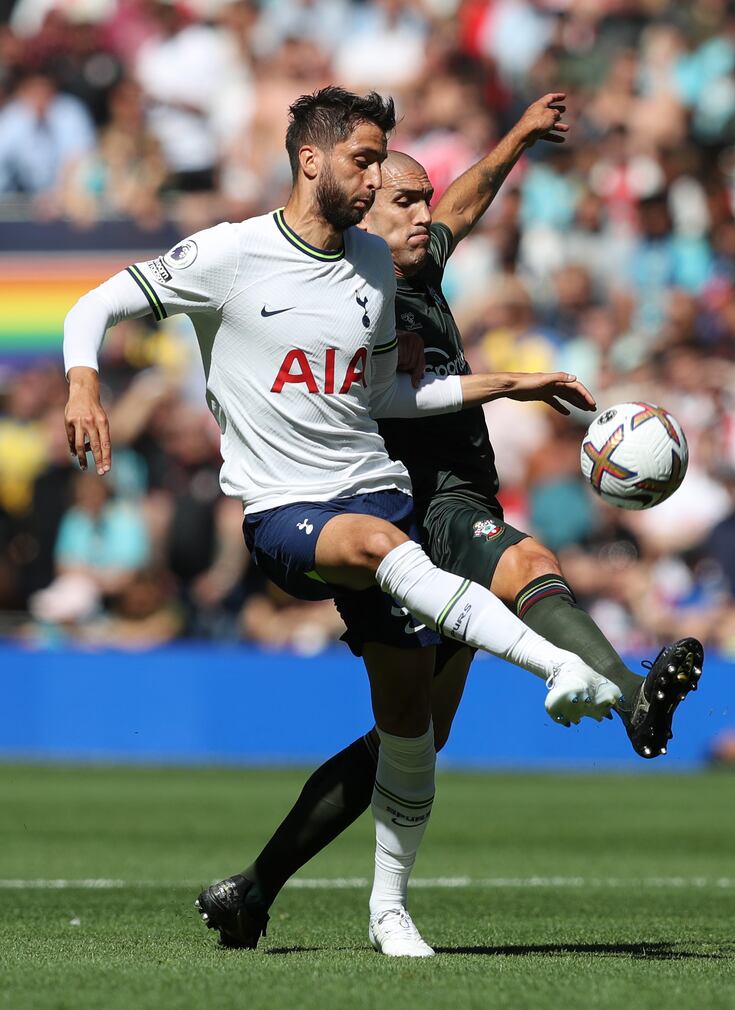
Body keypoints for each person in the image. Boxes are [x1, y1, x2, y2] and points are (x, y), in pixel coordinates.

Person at [63, 86, 622, 958]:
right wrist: (83, 379)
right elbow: (91, 305)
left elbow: (388, 396)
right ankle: (560, 666)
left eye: (379, 162)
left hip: (377, 492)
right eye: (364, 161)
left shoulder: (371, 266)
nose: (373, 178)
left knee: (412, 732)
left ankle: (386, 909)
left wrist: (509, 384)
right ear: (311, 160)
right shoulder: (231, 253)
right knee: (382, 547)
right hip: (288, 511)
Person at [194, 94, 704, 954]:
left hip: (455, 488)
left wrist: (513, 138)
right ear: (362, 203)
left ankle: (255, 889)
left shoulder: (417, 262)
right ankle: (627, 694)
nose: (428, 216)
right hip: (417, 500)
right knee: (525, 558)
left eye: (426, 202)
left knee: (411, 738)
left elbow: (462, 202)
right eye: (405, 199)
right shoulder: (354, 285)